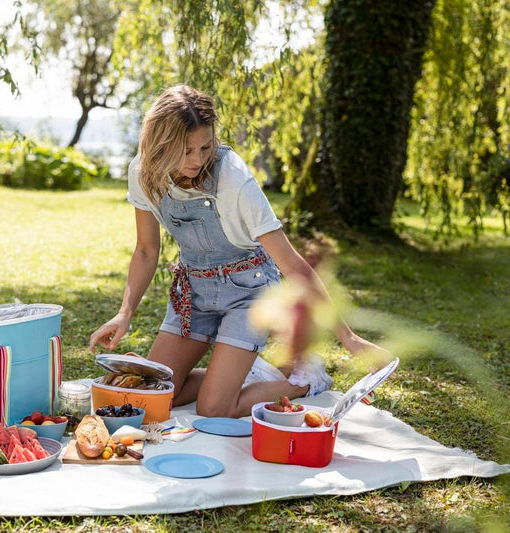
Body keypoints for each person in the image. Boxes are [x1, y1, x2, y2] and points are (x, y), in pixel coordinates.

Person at [89, 85, 390, 418]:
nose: (197, 160)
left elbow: (292, 265)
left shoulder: (234, 179)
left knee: (215, 407)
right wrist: (124, 313)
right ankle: (235, 372)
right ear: (161, 144)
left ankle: (302, 379)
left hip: (248, 292)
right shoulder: (143, 172)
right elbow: (147, 249)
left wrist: (348, 339)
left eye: (205, 147)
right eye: (186, 150)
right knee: (154, 397)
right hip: (192, 292)